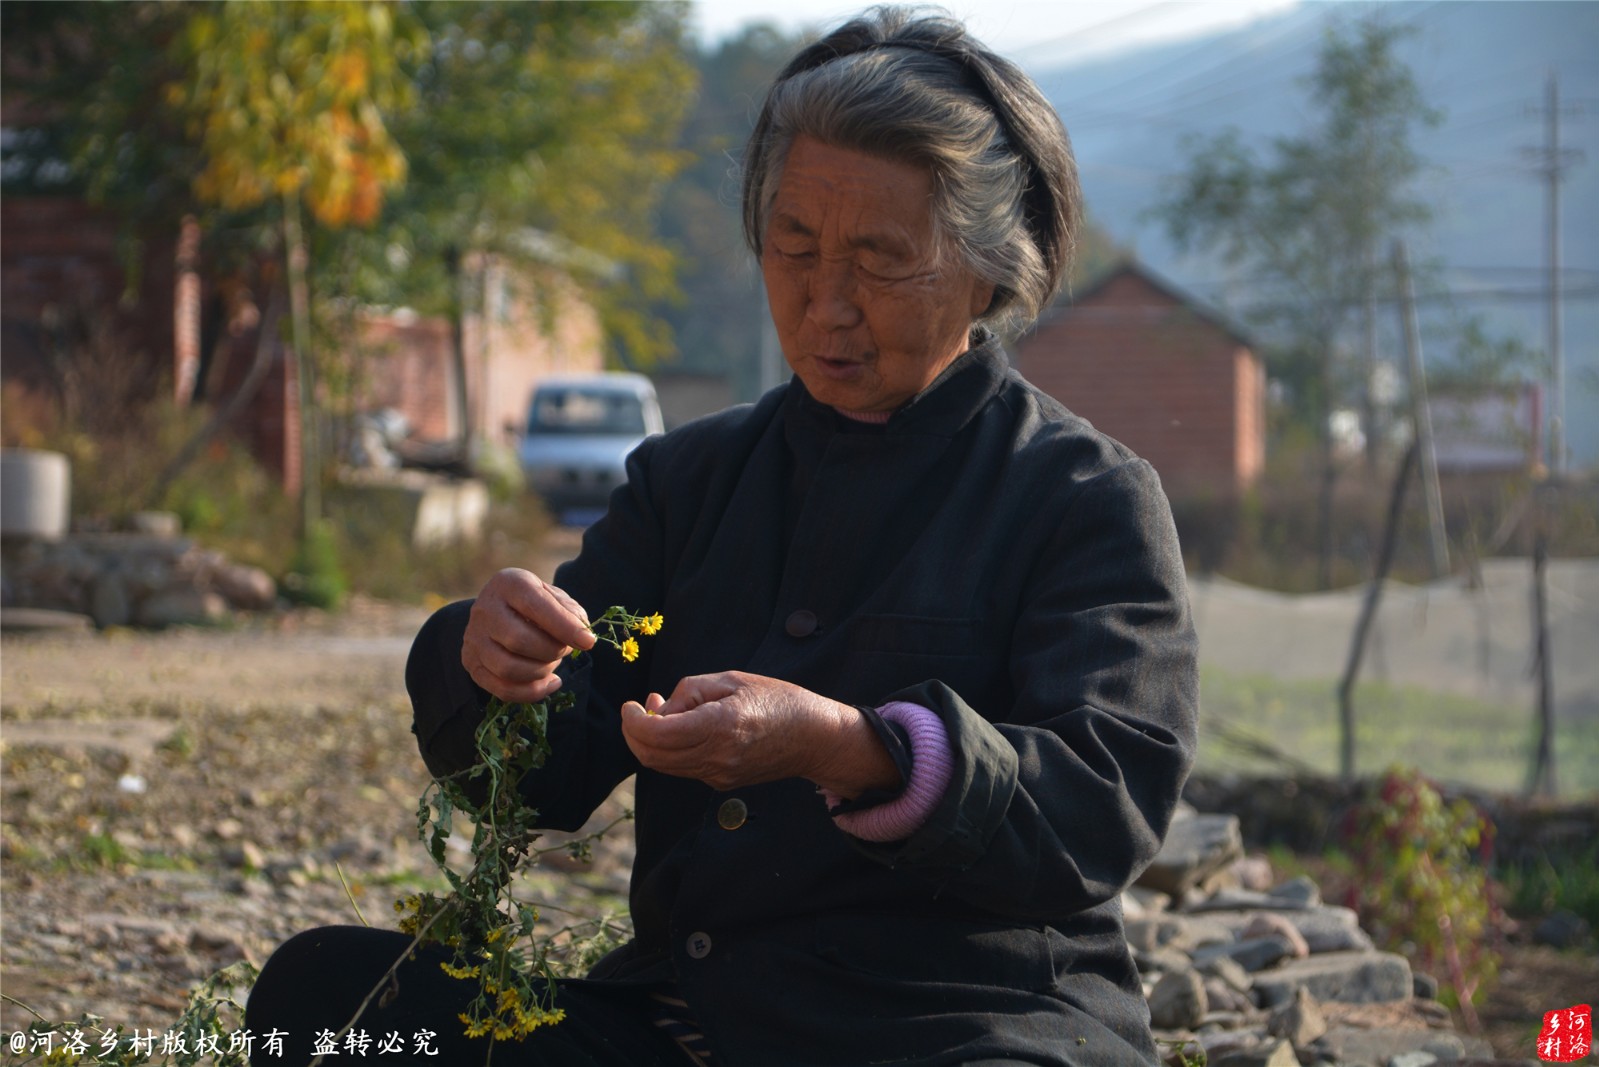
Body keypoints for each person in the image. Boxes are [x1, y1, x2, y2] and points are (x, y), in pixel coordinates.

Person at [244, 6, 1198, 1064]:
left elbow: (1100, 803)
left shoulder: (1081, 495)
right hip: (694, 1023)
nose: (824, 303)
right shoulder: (689, 481)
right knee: (322, 995)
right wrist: (493, 664)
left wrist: (853, 748)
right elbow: (543, 782)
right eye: (793, 246)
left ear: (988, 269)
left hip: (964, 1024)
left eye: (878, 262)